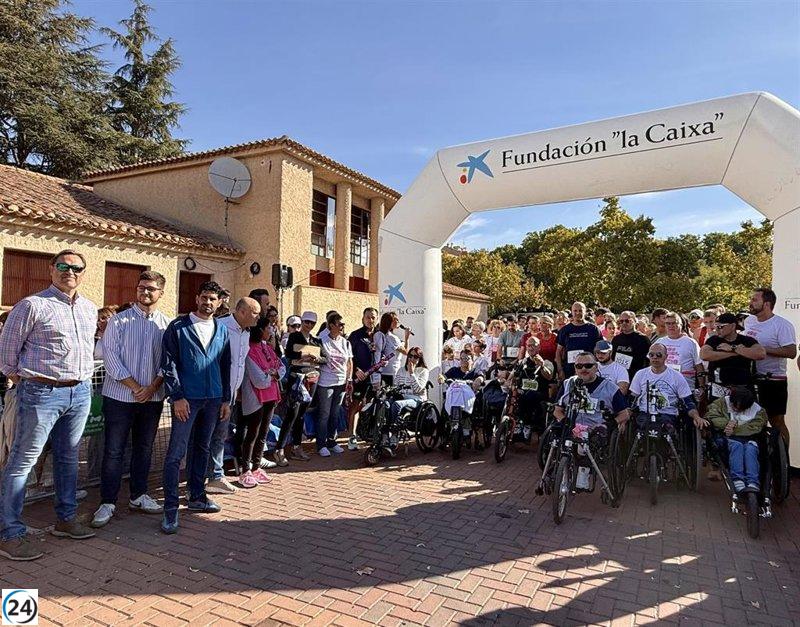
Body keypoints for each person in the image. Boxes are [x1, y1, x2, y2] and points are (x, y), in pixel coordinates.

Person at [0, 250, 98, 560]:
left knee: (68, 458)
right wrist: (31, 381)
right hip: (41, 393)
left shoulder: (89, 308)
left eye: (77, 267)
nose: (70, 271)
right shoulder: (32, 305)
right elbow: (7, 356)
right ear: (51, 269)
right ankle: (9, 533)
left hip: (80, 392)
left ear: (84, 273)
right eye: (63, 266)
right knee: (23, 461)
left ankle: (65, 519)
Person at [91, 271, 170, 529]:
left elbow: (167, 362)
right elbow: (111, 359)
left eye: (150, 289)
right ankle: (108, 502)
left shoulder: (166, 324)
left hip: (152, 398)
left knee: (144, 448)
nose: (144, 293)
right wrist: (137, 388)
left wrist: (152, 388)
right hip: (120, 397)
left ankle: (138, 495)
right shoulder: (119, 321)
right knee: (113, 451)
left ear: (160, 292)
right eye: (141, 288)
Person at [160, 281, 232, 534]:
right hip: (186, 400)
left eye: (213, 298)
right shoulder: (178, 327)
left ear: (219, 301)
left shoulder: (221, 329)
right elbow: (168, 364)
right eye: (204, 297)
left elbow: (226, 365)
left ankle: (197, 496)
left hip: (213, 400)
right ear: (197, 297)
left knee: (202, 448)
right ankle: (170, 509)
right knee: (175, 453)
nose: (208, 302)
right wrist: (177, 396)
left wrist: (226, 399)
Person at [202, 297, 261, 494]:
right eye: (255, 312)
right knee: (209, 435)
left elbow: (239, 364)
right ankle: (209, 476)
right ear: (242, 311)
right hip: (216, 393)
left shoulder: (246, 332)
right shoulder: (221, 327)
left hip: (231, 394)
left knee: (220, 435)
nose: (258, 317)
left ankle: (214, 476)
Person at [743, 288, 797, 444]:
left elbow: (791, 351)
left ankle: (783, 461)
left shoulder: (782, 325)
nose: (750, 303)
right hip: (751, 378)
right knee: (751, 420)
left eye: (754, 300)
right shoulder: (749, 321)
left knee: (776, 421)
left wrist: (762, 350)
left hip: (773, 379)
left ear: (766, 304)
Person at [238, 318, 284, 487]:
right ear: (260, 329)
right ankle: (245, 470)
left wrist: (274, 374)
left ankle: (256, 467)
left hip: (271, 396)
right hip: (256, 398)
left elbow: (281, 367)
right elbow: (258, 379)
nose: (271, 330)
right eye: (268, 327)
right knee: (252, 434)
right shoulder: (249, 350)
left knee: (263, 434)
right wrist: (270, 375)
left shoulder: (267, 347)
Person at [276, 310, 323, 465]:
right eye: (306, 322)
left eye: (312, 323)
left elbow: (325, 358)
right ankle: (280, 449)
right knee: (292, 413)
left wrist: (317, 358)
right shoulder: (294, 337)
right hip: (297, 379)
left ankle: (297, 446)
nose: (308, 325)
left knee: (302, 414)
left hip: (312, 379)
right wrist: (303, 355)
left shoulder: (316, 340)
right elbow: (289, 353)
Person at [553, 352, 629, 442]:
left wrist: (607, 425)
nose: (583, 369)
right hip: (570, 429)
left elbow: (625, 415)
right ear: (575, 368)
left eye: (588, 365)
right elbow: (557, 411)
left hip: (596, 433)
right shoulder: (568, 384)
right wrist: (565, 422)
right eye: (579, 366)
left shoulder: (611, 388)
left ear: (596, 367)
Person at [629, 343, 707, 429]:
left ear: (666, 356)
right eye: (651, 355)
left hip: (668, 415)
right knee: (642, 426)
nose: (655, 357)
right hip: (645, 414)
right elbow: (633, 398)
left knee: (664, 428)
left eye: (659, 355)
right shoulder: (641, 374)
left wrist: (696, 417)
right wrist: (626, 413)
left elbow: (687, 402)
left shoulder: (676, 376)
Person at [707, 386, 768, 493]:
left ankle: (753, 481)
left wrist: (736, 427)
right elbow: (712, 417)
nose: (736, 409)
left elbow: (757, 426)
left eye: (741, 408)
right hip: (726, 438)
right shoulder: (720, 403)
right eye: (734, 406)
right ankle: (738, 479)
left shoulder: (758, 410)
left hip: (749, 437)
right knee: (737, 446)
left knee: (751, 449)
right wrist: (727, 423)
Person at [700, 312, 765, 401]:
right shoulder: (714, 340)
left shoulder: (746, 340)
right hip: (719, 387)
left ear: (733, 326)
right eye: (716, 326)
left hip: (743, 388)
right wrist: (736, 352)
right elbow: (704, 355)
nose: (717, 330)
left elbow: (761, 353)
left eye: (721, 327)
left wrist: (732, 348)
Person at [315, 313, 352, 457]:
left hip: (341, 381)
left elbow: (349, 361)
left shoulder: (345, 342)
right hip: (326, 382)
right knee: (324, 413)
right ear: (331, 325)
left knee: (335, 413)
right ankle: (321, 444)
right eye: (340, 324)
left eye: (343, 324)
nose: (342, 327)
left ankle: (332, 441)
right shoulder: (321, 340)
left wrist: (349, 379)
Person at [347, 307, 377, 450]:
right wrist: (356, 370)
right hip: (359, 378)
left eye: (373, 317)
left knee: (371, 406)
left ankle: (366, 433)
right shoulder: (355, 335)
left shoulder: (379, 335)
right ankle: (351, 436)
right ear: (363, 318)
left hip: (375, 378)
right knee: (356, 406)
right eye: (368, 317)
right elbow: (349, 357)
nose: (370, 320)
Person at [513, 336, 555, 439]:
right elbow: (514, 376)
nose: (530, 348)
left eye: (533, 345)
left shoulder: (547, 362)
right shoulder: (523, 362)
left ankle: (527, 424)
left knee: (529, 395)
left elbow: (549, 376)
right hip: (524, 392)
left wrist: (541, 366)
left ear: (539, 347)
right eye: (528, 345)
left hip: (539, 394)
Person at [657, 312, 705, 392]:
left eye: (674, 323)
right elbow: (652, 364)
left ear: (681, 324)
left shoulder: (690, 342)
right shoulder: (659, 342)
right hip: (663, 387)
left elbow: (699, 365)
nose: (671, 326)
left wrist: (702, 387)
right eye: (668, 323)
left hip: (686, 387)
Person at [555, 302, 602, 380]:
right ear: (572, 312)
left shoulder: (593, 329)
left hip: (588, 370)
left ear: (585, 312)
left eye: (580, 311)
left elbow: (599, 350)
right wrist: (560, 370)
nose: (578, 313)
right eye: (575, 311)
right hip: (569, 371)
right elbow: (558, 352)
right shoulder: (565, 330)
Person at [390, 348, 430, 432]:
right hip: (402, 396)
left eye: (415, 357)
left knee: (397, 404)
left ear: (419, 359)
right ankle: (384, 432)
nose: (412, 359)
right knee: (385, 403)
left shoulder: (423, 371)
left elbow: (418, 389)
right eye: (410, 356)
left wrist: (412, 373)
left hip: (417, 399)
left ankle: (394, 431)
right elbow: (396, 386)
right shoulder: (401, 370)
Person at [372, 311, 409, 387]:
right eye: (396, 319)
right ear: (390, 322)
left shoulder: (383, 334)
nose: (398, 321)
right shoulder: (392, 337)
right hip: (392, 372)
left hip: (384, 371)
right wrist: (407, 337)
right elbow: (406, 352)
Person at [611, 310, 650, 380]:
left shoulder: (643, 339)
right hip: (619, 376)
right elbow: (612, 358)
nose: (624, 323)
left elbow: (648, 361)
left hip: (636, 377)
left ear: (634, 321)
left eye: (627, 321)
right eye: (621, 321)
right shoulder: (616, 339)